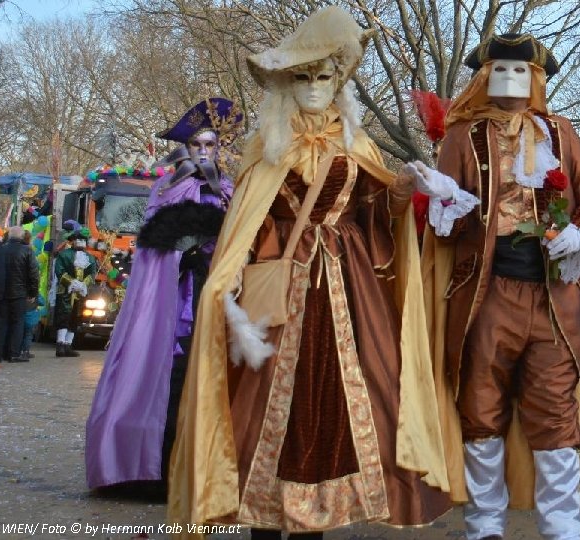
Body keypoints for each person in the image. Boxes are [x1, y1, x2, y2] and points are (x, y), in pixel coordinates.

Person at [166, 7, 450, 538]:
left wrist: (403, 188)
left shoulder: (357, 143)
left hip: (349, 284)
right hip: (282, 288)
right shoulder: (266, 144)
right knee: (267, 401)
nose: (316, 88)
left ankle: (321, 516)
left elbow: (375, 213)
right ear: (286, 85)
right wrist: (230, 273)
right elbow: (247, 217)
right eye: (304, 77)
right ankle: (263, 515)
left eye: (325, 78)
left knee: (353, 397)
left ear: (339, 83)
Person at [416, 33, 580, 540]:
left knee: (557, 413)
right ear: (484, 76)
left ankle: (563, 530)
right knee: (481, 409)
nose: (510, 79)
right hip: (486, 292)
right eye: (500, 69)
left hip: (552, 298)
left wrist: (578, 232)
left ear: (537, 79)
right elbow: (447, 230)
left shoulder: (561, 133)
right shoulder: (463, 134)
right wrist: (443, 200)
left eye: (521, 71)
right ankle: (484, 528)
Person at [85, 97, 238, 493]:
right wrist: (182, 252)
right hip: (175, 295)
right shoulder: (168, 188)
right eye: (196, 145)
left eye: (210, 145)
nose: (204, 152)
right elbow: (156, 241)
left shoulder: (228, 189)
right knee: (172, 372)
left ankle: (209, 469)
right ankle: (159, 468)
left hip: (216, 290)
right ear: (185, 149)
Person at [0, 226, 38, 363]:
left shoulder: (1, 249)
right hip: (19, 293)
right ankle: (13, 354)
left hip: (2, 292)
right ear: (22, 237)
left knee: (0, 323)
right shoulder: (27, 251)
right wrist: (32, 292)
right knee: (17, 323)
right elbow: (33, 274)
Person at [52, 229, 96, 357]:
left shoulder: (90, 258)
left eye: (83, 240)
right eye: (78, 240)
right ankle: (60, 345)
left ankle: (68, 345)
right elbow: (59, 270)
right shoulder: (64, 255)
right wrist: (71, 282)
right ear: (73, 242)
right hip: (66, 291)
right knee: (63, 316)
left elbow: (92, 274)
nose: (80, 242)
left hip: (80, 293)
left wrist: (84, 284)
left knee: (76, 318)